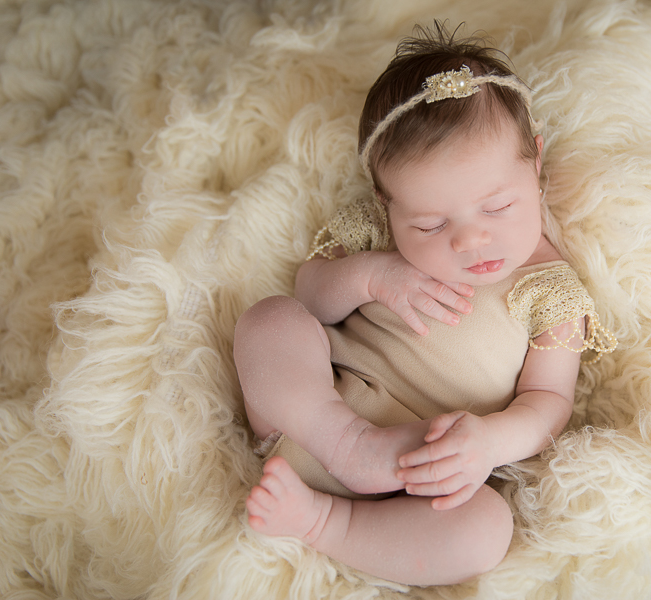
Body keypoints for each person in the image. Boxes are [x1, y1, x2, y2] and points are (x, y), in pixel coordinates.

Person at [233, 22, 617, 586]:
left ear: (534, 164)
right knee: (269, 319)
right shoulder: (377, 237)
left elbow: (549, 403)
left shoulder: (552, 292)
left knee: (486, 529)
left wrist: (488, 442)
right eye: (430, 224)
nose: (469, 240)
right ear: (386, 205)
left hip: (418, 463)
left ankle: (325, 521)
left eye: (497, 206)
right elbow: (310, 294)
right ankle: (347, 444)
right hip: (310, 407)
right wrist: (368, 277)